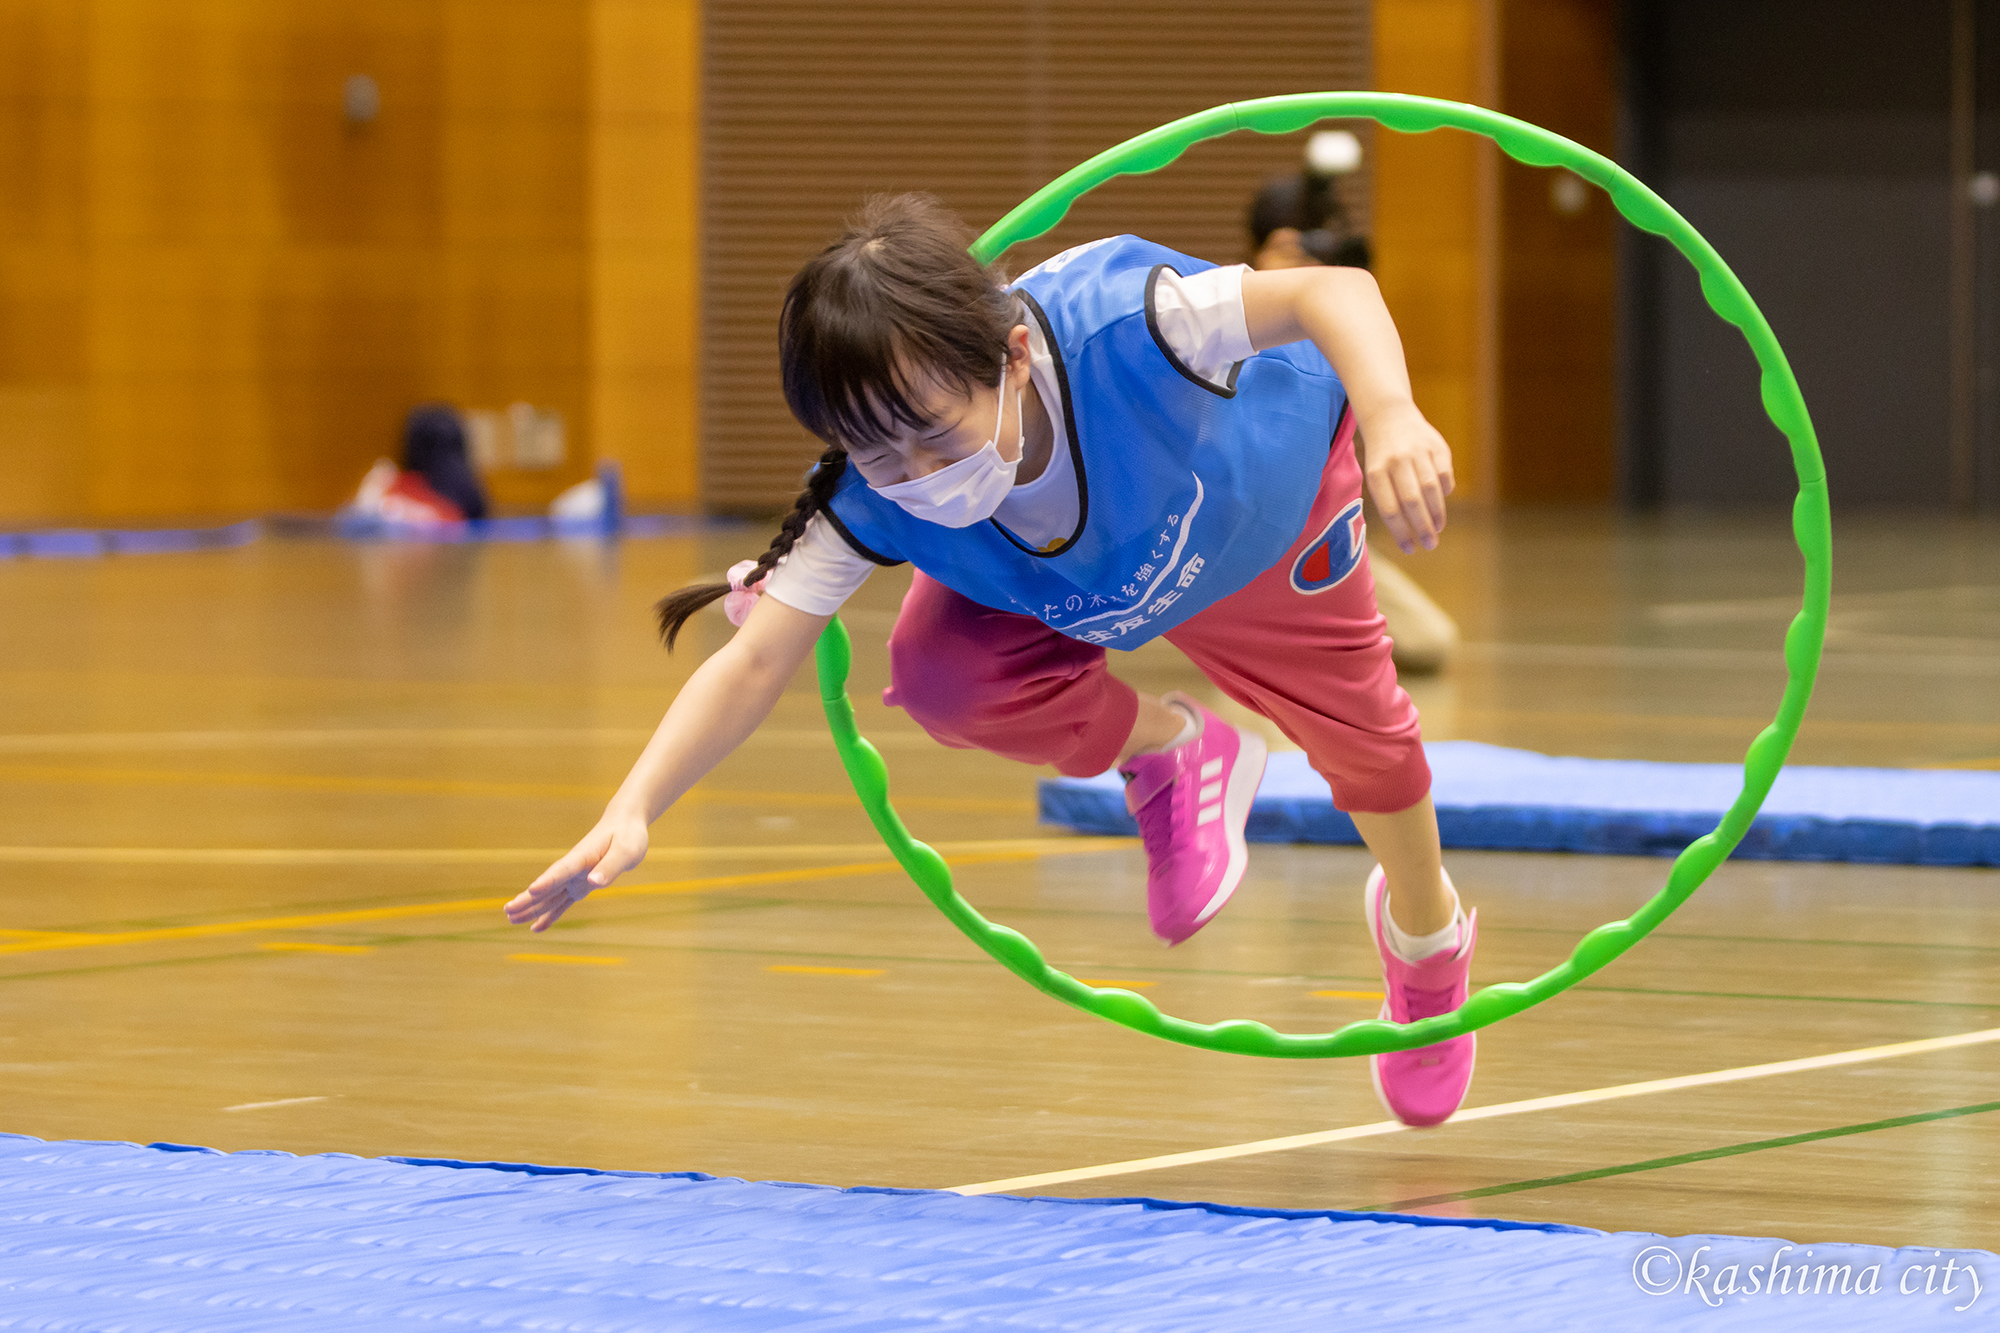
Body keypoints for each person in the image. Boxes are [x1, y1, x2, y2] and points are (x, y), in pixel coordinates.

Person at [504, 194, 1479, 1128]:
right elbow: (752, 664)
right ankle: (1174, 751)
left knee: (1377, 760)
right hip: (1073, 589)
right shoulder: (871, 494)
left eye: (936, 435)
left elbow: (1332, 290)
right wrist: (630, 808)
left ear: (1013, 357)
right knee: (936, 673)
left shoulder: (1124, 326)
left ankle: (1426, 942)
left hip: (1262, 525)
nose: (921, 478)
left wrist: (1391, 410)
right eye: (884, 458)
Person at [1249, 134, 1460, 674]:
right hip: (1233, 538)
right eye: (1289, 249)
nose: (1304, 262)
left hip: (1317, 533)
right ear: (1256, 253)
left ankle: (1304, 625)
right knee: (1267, 676)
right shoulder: (1219, 324)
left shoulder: (1344, 324)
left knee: (1430, 642)